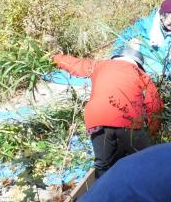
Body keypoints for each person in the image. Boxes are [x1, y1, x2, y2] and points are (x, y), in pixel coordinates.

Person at [53, 44, 163, 178]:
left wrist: (55, 58)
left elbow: (75, 64)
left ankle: (103, 195)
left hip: (97, 119)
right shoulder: (141, 74)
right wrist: (151, 131)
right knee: (147, 161)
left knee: (103, 164)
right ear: (138, 64)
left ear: (116, 58)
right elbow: (154, 105)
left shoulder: (99, 65)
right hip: (130, 121)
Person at [111, 0, 171, 82]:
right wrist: (115, 58)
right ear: (162, 15)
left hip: (166, 76)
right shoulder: (146, 25)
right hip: (144, 74)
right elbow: (124, 36)